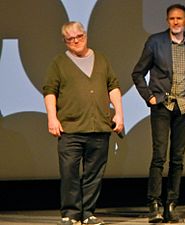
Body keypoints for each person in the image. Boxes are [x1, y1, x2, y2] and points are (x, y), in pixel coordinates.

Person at [43, 21, 124, 225]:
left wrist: (119, 114)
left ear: (85, 35)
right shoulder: (59, 62)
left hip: (99, 127)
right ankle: (70, 213)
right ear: (65, 41)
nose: (75, 41)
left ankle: (88, 212)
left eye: (78, 36)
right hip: (70, 128)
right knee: (69, 173)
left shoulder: (102, 60)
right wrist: (52, 117)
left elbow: (113, 87)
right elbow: (50, 91)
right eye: (70, 39)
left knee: (94, 174)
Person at [132, 4, 185, 223]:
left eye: (179, 18)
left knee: (178, 158)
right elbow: (137, 73)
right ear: (167, 21)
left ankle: (172, 205)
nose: (175, 22)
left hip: (184, 106)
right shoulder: (156, 41)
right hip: (162, 106)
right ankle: (154, 204)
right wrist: (150, 97)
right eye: (172, 18)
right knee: (159, 156)